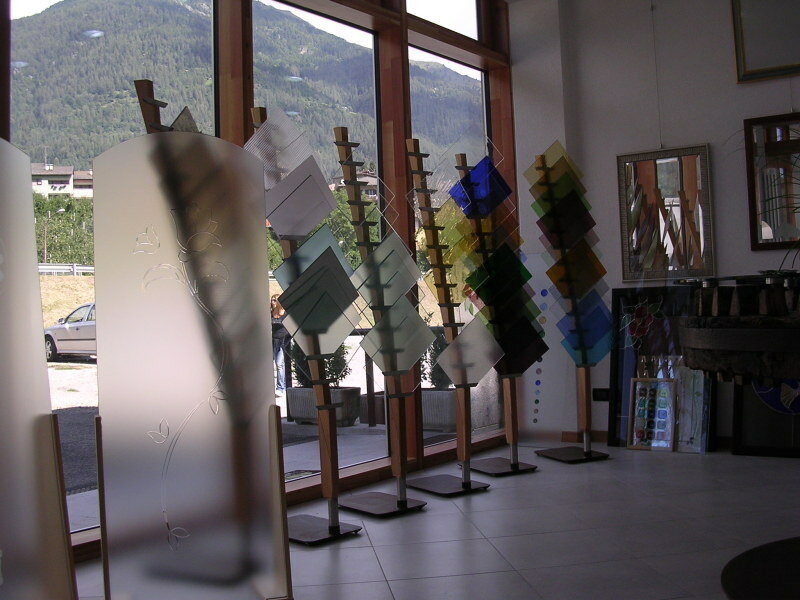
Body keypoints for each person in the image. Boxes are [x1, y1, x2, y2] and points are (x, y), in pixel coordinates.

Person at [271, 294, 290, 397]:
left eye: (275, 300)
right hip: (272, 340)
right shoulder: (270, 313)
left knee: (279, 364)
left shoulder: (285, 313)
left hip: (281, 340)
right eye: (272, 300)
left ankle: (280, 388)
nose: (272, 302)